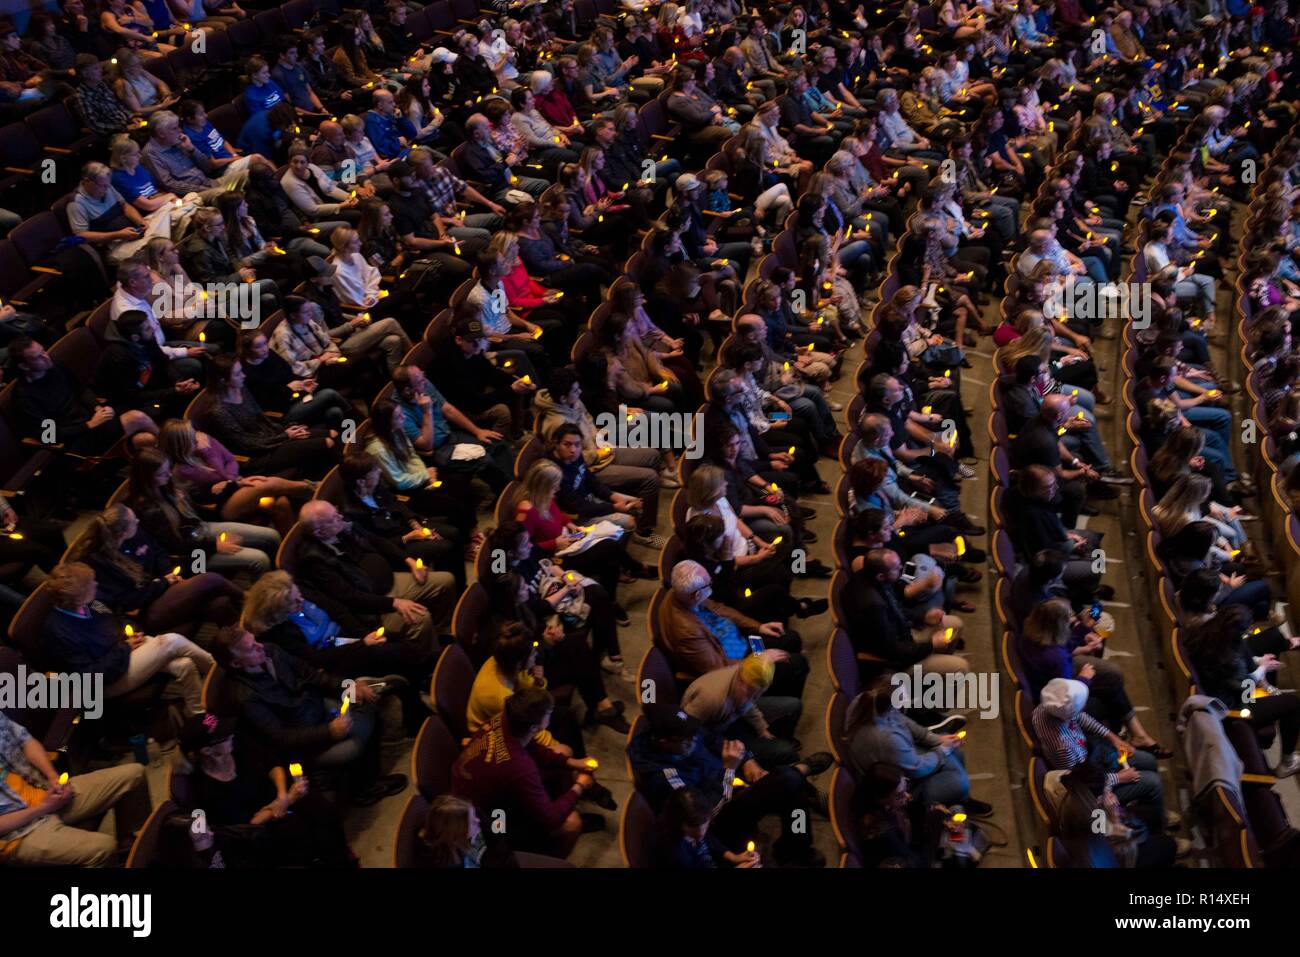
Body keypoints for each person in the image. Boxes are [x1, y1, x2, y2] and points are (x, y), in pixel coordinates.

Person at [212, 625, 407, 805]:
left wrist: (347, 686)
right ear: (237, 664)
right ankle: (363, 788)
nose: (260, 646)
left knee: (364, 703)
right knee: (355, 742)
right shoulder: (243, 697)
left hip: (317, 706)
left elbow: (311, 674)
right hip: (306, 742)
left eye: (255, 641)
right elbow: (282, 737)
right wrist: (328, 731)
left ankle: (367, 779)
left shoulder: (270, 650)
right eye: (251, 648)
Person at [176, 711, 353, 867]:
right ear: (207, 751)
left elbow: (273, 764)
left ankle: (342, 859)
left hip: (276, 799)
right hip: (260, 829)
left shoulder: (236, 744)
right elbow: (248, 825)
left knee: (322, 808)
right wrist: (288, 800)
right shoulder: (206, 789)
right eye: (223, 736)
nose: (230, 735)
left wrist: (283, 795)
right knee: (296, 832)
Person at [42, 561, 214, 716]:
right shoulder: (59, 632)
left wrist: (132, 632)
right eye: (91, 584)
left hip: (123, 653)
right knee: (172, 641)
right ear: (79, 595)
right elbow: (90, 676)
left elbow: (116, 616)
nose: (96, 584)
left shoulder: (92, 603)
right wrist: (124, 648)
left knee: (185, 665)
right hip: (107, 681)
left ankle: (199, 713)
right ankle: (218, 666)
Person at [451, 687, 603, 858]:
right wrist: (580, 785)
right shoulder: (519, 767)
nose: (551, 714)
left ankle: (561, 805)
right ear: (534, 727)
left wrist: (573, 763)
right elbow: (549, 818)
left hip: (480, 796)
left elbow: (533, 748)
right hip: (493, 823)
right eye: (549, 712)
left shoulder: (503, 720)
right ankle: (548, 859)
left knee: (564, 753)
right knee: (572, 824)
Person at [0, 709, 150, 866]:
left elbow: (25, 741)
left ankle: (128, 848)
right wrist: (43, 808)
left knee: (135, 774)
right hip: (17, 834)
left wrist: (53, 778)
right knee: (103, 848)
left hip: (45, 792)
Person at [296, 499, 456, 644]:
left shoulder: (342, 527)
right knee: (420, 619)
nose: (340, 517)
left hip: (392, 582)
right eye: (333, 518)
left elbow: (378, 541)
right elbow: (349, 596)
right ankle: (428, 659)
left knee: (446, 581)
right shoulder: (315, 559)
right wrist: (394, 602)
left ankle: (439, 633)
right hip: (373, 605)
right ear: (319, 532)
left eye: (336, 511)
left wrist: (409, 561)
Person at [65, 503, 243, 632]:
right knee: (209, 579)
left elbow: (158, 551)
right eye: (133, 520)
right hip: (144, 610)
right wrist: (163, 582)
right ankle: (250, 601)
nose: (138, 520)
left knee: (221, 604)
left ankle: (241, 641)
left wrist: (167, 574)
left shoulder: (135, 535)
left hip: (160, 589)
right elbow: (126, 601)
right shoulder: (98, 563)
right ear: (122, 533)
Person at [127, 447, 282, 578]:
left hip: (201, 531)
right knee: (259, 560)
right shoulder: (148, 510)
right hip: (192, 557)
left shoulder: (164, 486)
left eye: (168, 470)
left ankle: (281, 579)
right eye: (162, 474)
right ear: (146, 478)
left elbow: (196, 515)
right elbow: (178, 546)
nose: (169, 475)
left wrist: (234, 485)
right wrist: (215, 546)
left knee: (271, 536)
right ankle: (266, 600)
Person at [845, 675, 991, 812]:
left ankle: (960, 799)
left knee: (952, 746)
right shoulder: (886, 738)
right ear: (892, 705)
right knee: (959, 782)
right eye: (903, 698)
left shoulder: (867, 700)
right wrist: (942, 751)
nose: (907, 699)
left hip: (896, 758)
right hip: (895, 785)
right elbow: (917, 768)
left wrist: (935, 739)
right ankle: (951, 799)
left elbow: (904, 721)